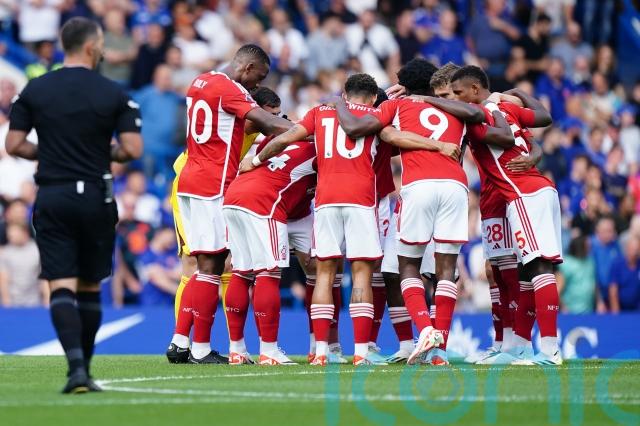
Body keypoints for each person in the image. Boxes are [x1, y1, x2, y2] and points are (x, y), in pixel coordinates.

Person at [242, 72, 455, 365]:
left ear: (345, 94)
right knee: (362, 274)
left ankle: (320, 352)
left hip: (326, 200)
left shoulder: (319, 113)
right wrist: (438, 145)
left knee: (324, 274)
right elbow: (396, 138)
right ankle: (361, 352)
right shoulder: (375, 117)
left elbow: (285, 138)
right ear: (373, 97)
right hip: (361, 201)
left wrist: (254, 160)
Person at [333, 59, 513, 365]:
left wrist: (342, 102)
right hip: (456, 187)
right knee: (446, 271)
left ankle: (426, 330)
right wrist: (495, 108)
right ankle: (438, 351)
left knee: (406, 267)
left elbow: (358, 127)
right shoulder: (458, 109)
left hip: (418, 187)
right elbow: (498, 134)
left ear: (405, 85)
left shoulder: (398, 105)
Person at [5, 17, 142, 393]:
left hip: (54, 194)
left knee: (61, 284)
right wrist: (102, 152)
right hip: (96, 195)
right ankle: (86, 369)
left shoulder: (35, 88)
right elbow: (132, 149)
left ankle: (76, 368)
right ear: (91, 46)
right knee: (90, 285)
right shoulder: (113, 91)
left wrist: (49, 153)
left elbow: (13, 144)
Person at [166, 44, 292, 365]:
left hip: (189, 179)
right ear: (247, 68)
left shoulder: (201, 81)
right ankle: (200, 348)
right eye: (258, 77)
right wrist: (315, 129)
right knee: (211, 266)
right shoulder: (232, 90)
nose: (257, 84)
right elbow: (268, 124)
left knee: (204, 266)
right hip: (212, 185)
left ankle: (181, 341)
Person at [451, 65, 563, 366]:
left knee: (539, 267)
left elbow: (506, 137)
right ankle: (520, 347)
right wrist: (517, 94)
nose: (456, 99)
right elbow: (540, 121)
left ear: (475, 89)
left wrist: (423, 100)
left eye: (458, 93)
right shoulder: (507, 108)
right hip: (538, 190)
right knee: (526, 271)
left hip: (524, 194)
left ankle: (550, 350)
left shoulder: (481, 115)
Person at [608, 235, 640, 312]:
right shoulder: (617, 264)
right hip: (622, 309)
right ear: (627, 249)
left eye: (637, 250)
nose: (635, 253)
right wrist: (616, 314)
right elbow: (613, 290)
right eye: (632, 249)